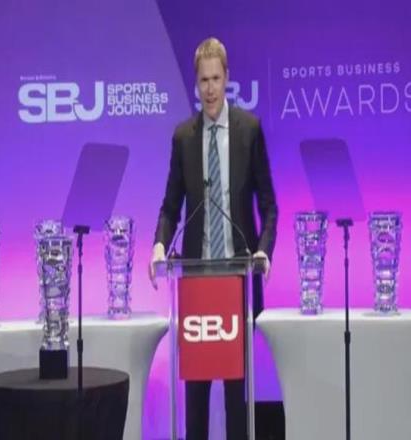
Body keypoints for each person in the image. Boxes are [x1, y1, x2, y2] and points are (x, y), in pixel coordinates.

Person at [149, 37, 278, 440]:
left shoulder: (249, 131)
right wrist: (159, 244)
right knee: (197, 397)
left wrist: (263, 251)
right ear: (196, 83)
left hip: (238, 284)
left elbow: (269, 205)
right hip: (197, 285)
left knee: (237, 397)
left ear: (227, 79)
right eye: (203, 80)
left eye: (216, 79)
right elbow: (170, 206)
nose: (209, 89)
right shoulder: (183, 137)